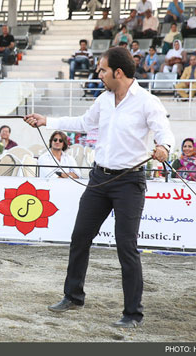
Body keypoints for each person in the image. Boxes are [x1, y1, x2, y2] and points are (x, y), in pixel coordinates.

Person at [24, 46, 174, 328]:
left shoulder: (147, 102)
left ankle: (132, 314)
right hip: (98, 179)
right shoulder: (104, 99)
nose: (98, 74)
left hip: (129, 182)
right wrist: (47, 121)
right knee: (80, 236)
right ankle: (73, 296)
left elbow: (165, 132)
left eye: (102, 69)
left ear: (118, 72)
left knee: (126, 246)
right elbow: (83, 123)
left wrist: (164, 147)